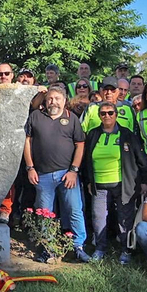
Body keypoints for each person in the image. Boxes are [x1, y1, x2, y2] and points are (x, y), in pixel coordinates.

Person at [25, 85, 89, 262]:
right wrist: (30, 167)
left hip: (67, 175)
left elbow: (80, 145)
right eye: (50, 99)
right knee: (45, 213)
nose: (53, 102)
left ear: (64, 101)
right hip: (42, 175)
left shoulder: (72, 118)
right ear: (46, 101)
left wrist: (74, 171)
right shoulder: (36, 116)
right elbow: (27, 142)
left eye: (57, 98)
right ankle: (48, 248)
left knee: (74, 210)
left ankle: (78, 246)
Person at [79, 100, 146, 261]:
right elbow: (86, 159)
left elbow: (139, 157)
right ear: (99, 116)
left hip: (123, 184)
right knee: (98, 217)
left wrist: (144, 179)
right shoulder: (93, 134)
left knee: (125, 218)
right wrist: (88, 180)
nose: (107, 116)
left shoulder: (127, 134)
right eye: (103, 113)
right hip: (99, 185)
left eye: (110, 113)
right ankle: (100, 248)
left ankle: (126, 250)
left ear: (116, 115)